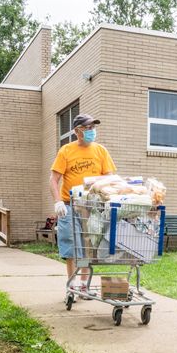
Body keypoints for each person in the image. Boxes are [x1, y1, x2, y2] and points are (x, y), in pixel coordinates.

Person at [50, 113, 116, 295]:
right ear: (77, 131)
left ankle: (84, 285)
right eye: (87, 128)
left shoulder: (101, 150)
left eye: (93, 128)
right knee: (71, 245)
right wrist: (57, 202)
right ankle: (72, 285)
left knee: (89, 245)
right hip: (69, 205)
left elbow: (109, 177)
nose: (91, 131)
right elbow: (54, 179)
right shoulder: (66, 151)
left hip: (91, 206)